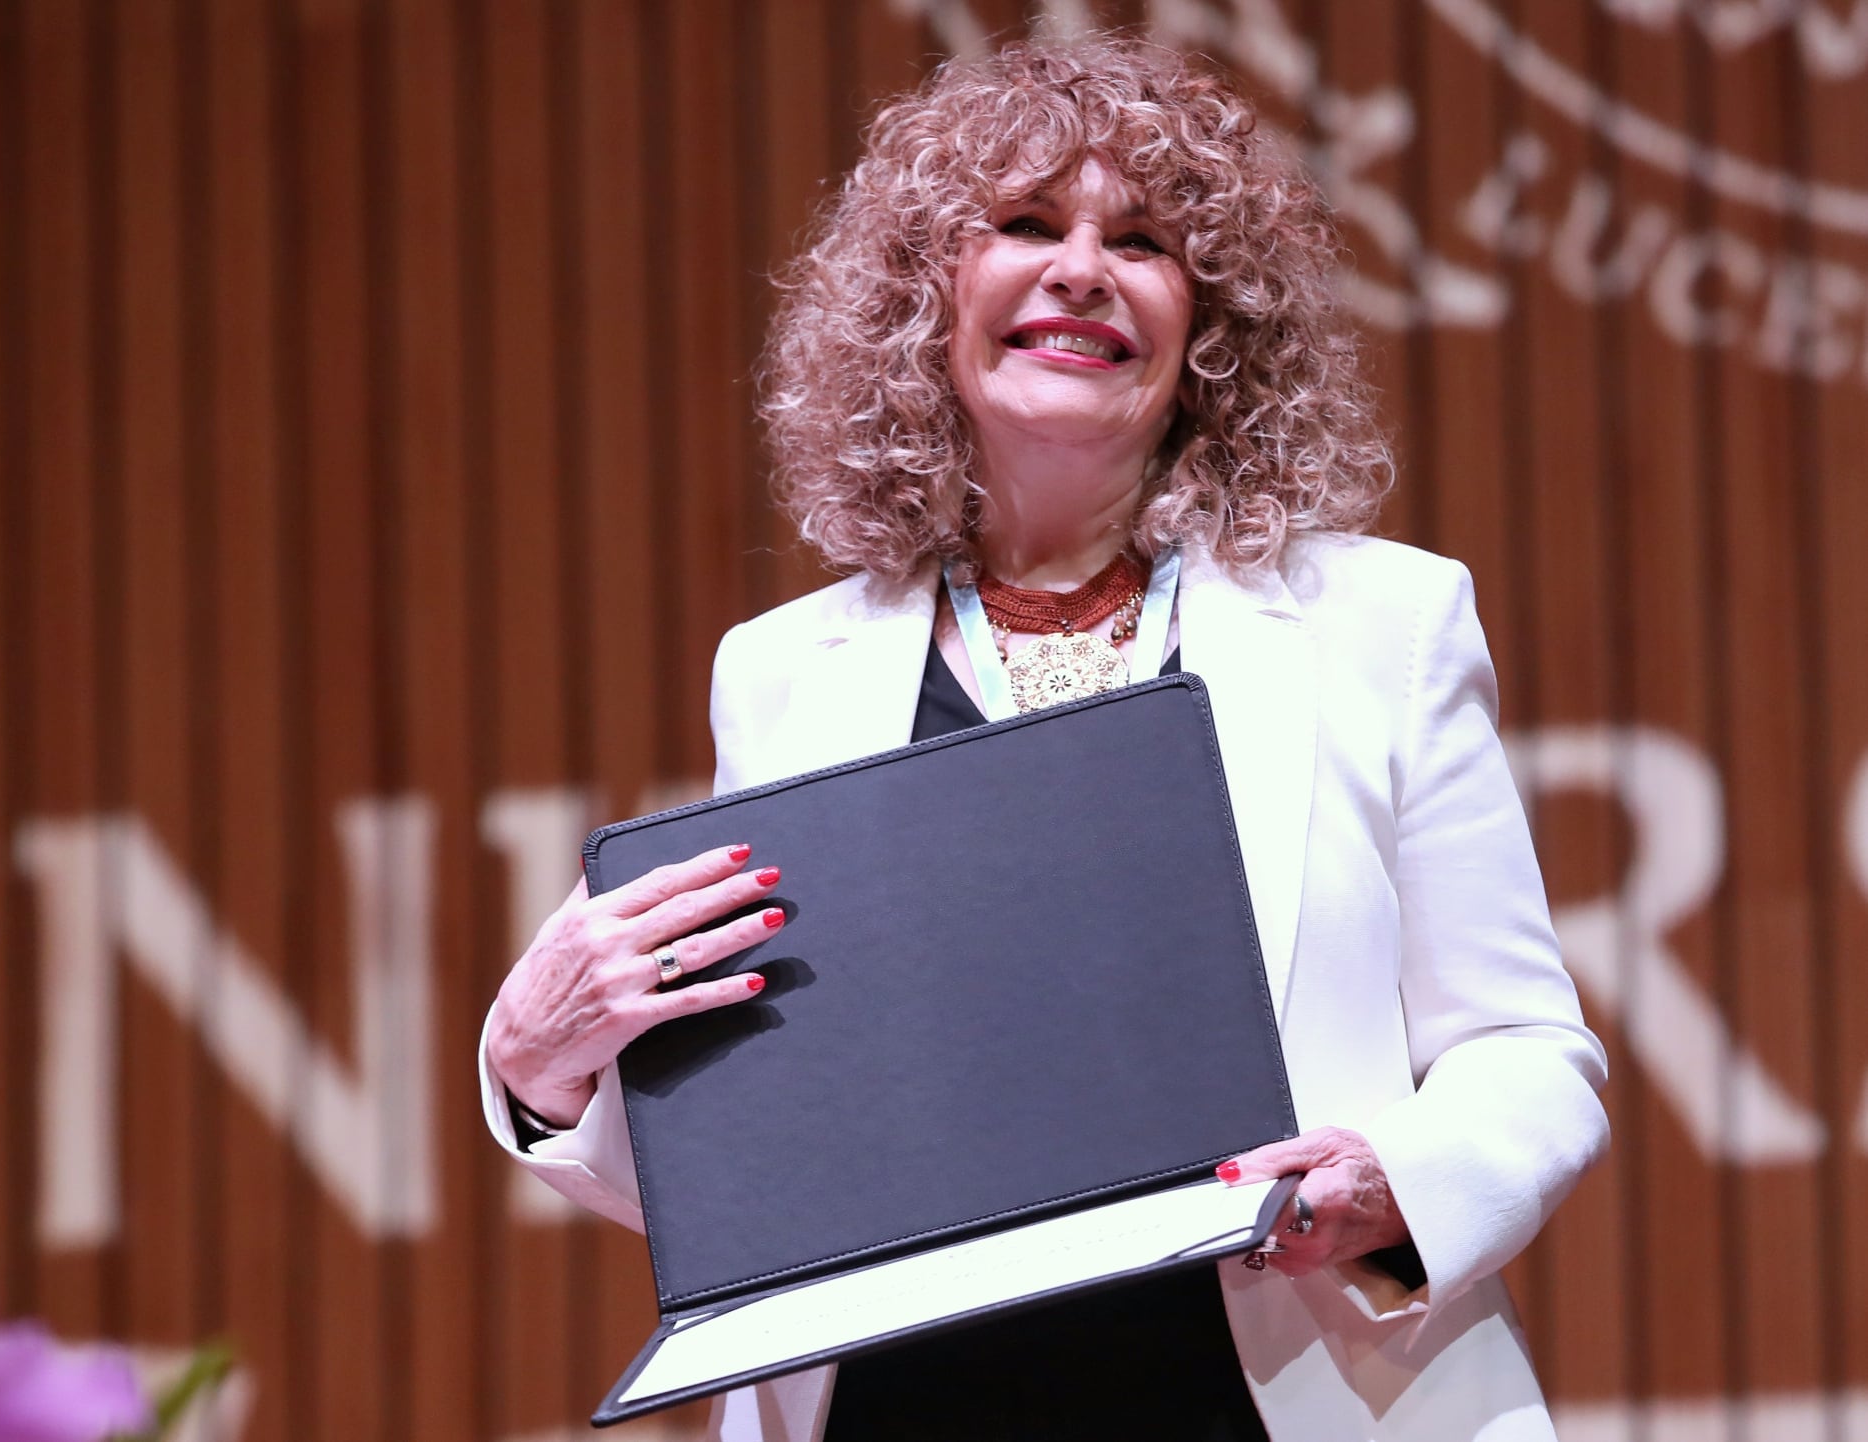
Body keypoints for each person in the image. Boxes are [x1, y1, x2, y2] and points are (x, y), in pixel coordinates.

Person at [479, 34, 1607, 1442]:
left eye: (1141, 240)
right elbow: (773, 1154)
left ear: (1208, 324)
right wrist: (537, 1070)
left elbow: (1525, 1054)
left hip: (1285, 1393)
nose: (1081, 266)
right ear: (926, 299)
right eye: (1024, 224)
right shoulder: (779, 675)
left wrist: (1394, 1176)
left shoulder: (1385, 624)